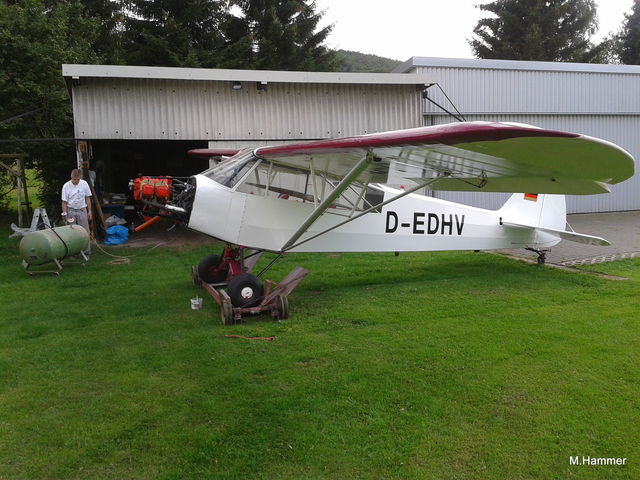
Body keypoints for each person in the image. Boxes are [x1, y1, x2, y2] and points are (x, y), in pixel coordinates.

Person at [61, 168, 92, 257]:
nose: (76, 181)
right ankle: (73, 252)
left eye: (77, 179)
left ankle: (86, 251)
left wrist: (89, 211)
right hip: (71, 210)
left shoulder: (84, 184)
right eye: (74, 179)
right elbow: (64, 201)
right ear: (71, 178)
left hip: (82, 209)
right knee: (72, 232)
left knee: (85, 231)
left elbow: (87, 198)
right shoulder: (66, 186)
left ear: (80, 178)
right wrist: (65, 214)